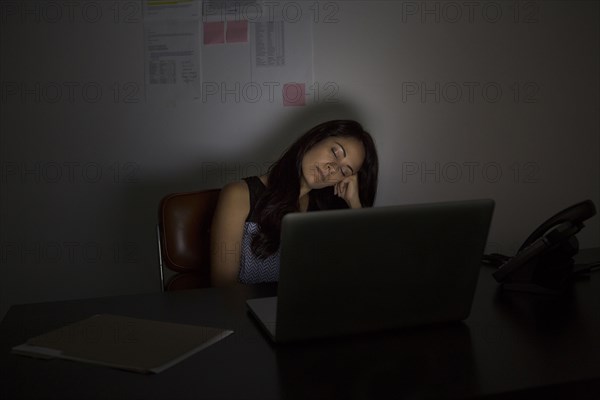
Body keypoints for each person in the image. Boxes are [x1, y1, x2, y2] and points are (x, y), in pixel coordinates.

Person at [210, 119, 379, 287]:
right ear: (316, 139)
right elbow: (224, 287)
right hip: (246, 312)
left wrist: (355, 206)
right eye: (335, 153)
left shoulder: (326, 213)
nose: (332, 168)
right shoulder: (239, 195)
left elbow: (366, 274)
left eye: (344, 171)